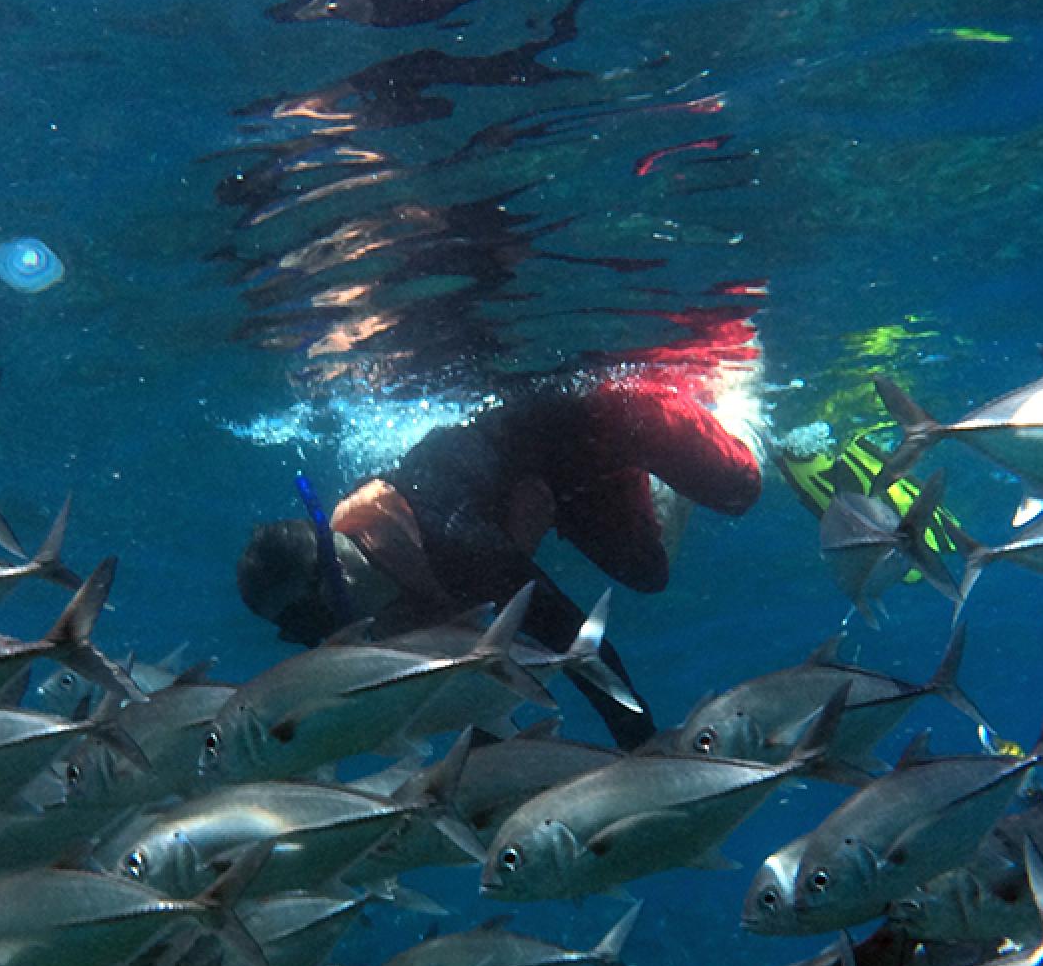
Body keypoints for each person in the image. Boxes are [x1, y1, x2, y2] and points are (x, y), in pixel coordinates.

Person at [236, 311, 765, 749]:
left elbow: (574, 637)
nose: (315, 641)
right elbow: (475, 678)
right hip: (553, 487)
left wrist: (643, 747)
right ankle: (652, 484)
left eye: (303, 623)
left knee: (740, 489)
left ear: (333, 580)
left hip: (605, 415)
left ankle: (734, 400)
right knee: (650, 575)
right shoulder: (382, 585)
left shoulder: (453, 542)